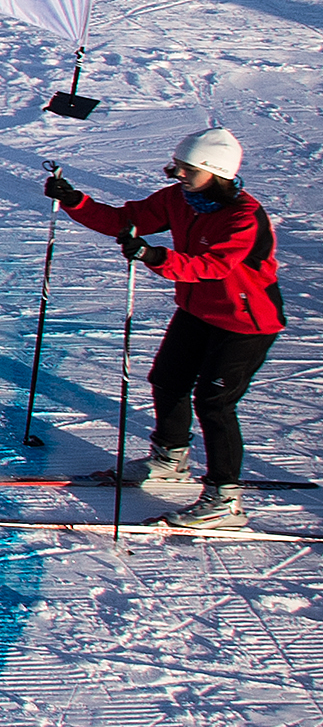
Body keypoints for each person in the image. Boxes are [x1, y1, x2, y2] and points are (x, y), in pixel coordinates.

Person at [47, 127, 286, 524]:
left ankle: (225, 499)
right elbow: (127, 219)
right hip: (197, 310)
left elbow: (215, 267)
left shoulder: (243, 216)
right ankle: (169, 460)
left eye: (186, 169)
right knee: (168, 379)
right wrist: (76, 202)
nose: (176, 175)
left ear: (217, 171)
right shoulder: (179, 199)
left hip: (245, 321)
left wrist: (157, 256)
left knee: (214, 402)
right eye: (177, 167)